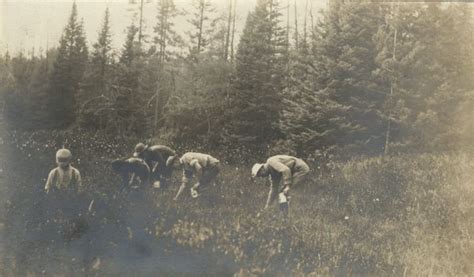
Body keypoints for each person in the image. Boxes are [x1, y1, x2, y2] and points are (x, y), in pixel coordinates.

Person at [44, 148, 84, 241]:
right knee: (56, 219)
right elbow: (48, 188)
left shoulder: (75, 172)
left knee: (71, 219)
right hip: (57, 200)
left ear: (69, 160)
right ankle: (56, 236)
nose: (62, 163)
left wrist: (76, 200)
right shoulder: (53, 172)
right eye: (60, 160)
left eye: (64, 160)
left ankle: (70, 237)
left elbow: (79, 188)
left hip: (71, 200)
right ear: (57, 160)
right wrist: (50, 200)